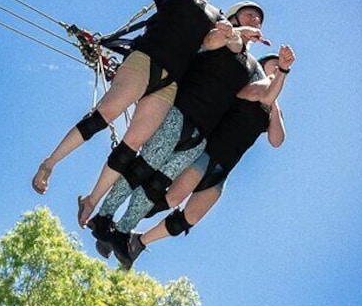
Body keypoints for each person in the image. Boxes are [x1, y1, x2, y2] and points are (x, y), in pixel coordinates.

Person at [32, 0, 229, 205]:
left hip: (170, 79)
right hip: (147, 58)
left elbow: (210, 43)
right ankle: (50, 163)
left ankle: (92, 199)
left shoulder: (214, 13)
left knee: (134, 143)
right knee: (107, 113)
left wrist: (234, 35)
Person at [88, 6, 289, 269]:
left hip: (202, 133)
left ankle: (122, 230)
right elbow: (213, 43)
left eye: (260, 20)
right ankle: (103, 216)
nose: (256, 21)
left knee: (157, 184)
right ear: (235, 14)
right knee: (143, 168)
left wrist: (279, 75)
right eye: (250, 15)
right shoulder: (222, 34)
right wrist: (240, 33)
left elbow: (264, 104)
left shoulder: (252, 69)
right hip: (182, 109)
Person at [122, 51, 291, 264]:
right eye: (273, 66)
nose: (277, 70)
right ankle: (120, 226)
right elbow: (260, 93)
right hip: (207, 151)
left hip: (225, 166)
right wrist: (277, 79)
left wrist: (275, 104)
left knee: (191, 216)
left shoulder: (273, 109)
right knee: (172, 198)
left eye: (280, 68)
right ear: (261, 67)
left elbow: (277, 140)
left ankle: (139, 241)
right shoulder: (251, 85)